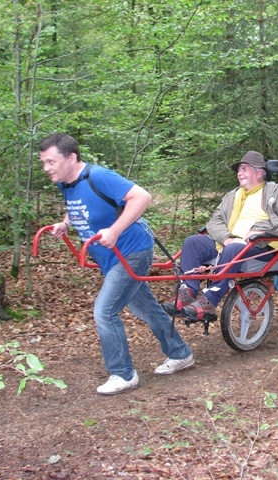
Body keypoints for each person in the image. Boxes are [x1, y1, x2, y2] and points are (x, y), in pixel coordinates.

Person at [39, 133, 194, 396]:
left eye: (51, 162)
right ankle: (181, 353)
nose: (46, 168)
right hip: (109, 259)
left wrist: (114, 230)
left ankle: (123, 373)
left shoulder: (99, 176)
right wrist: (65, 223)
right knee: (146, 307)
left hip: (133, 251)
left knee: (104, 311)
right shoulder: (66, 183)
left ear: (71, 157)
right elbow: (78, 207)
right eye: (44, 162)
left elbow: (142, 197)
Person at [162, 151, 278, 321]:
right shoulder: (232, 195)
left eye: (244, 169)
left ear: (259, 172)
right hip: (230, 245)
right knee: (193, 242)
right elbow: (214, 222)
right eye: (238, 170)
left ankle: (209, 302)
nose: (239, 173)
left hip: (261, 249)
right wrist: (227, 238)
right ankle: (187, 292)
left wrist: (261, 229)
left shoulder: (275, 193)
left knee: (234, 248)